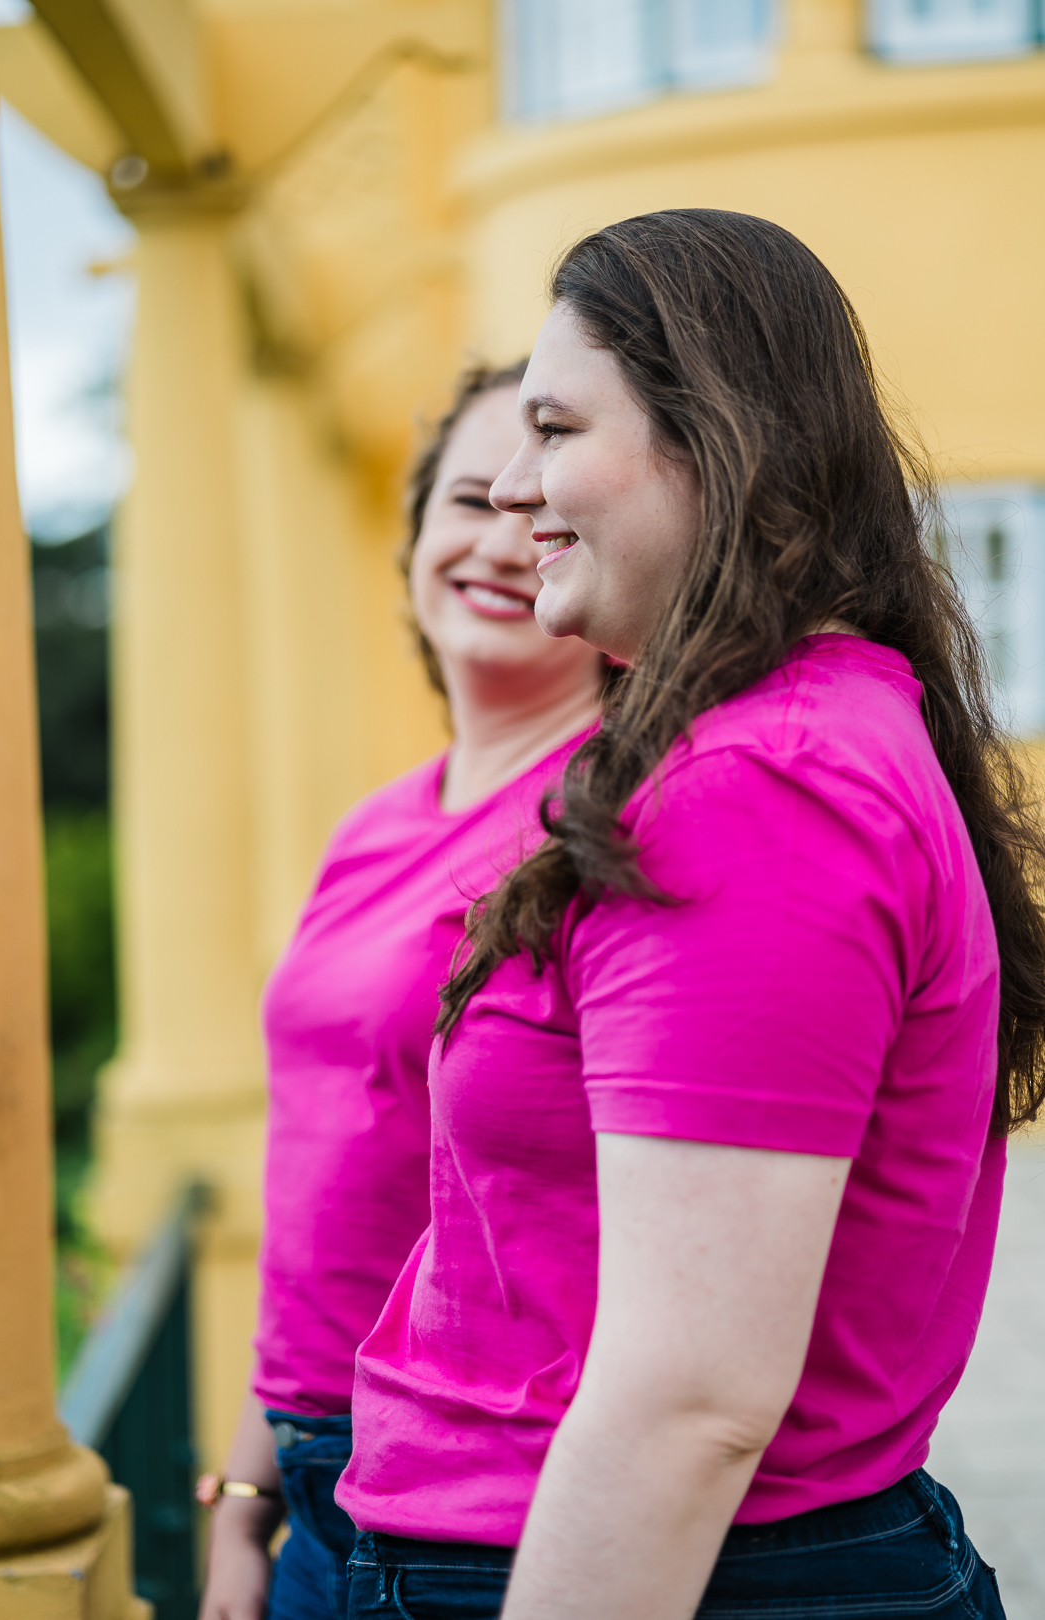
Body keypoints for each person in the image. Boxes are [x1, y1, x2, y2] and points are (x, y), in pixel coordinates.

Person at [336, 210, 1045, 1619]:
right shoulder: (785, 739)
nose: (515, 491)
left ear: (713, 438)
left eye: (553, 427)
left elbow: (692, 1401)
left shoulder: (763, 785)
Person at [197, 362, 607, 1620]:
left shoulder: (610, 817)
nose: (497, 543)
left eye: (535, 517)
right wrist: (242, 1506)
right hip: (311, 1470)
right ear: (417, 532)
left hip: (472, 1507)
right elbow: (320, 1174)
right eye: (468, 500)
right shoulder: (374, 824)